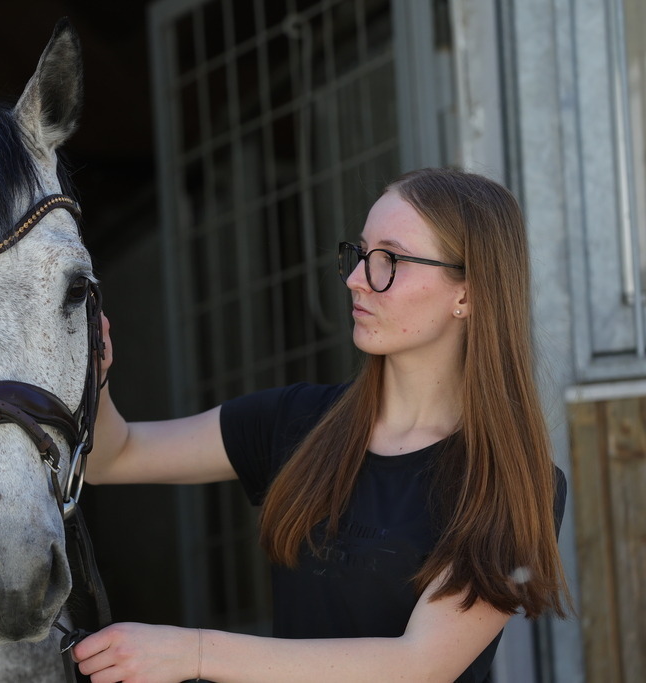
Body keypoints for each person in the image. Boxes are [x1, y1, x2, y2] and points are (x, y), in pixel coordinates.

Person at [73, 167, 571, 682]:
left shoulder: (511, 482)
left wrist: (195, 653)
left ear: (466, 294)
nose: (357, 278)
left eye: (390, 260)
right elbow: (112, 457)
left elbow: (417, 667)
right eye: (360, 253)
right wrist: (96, 373)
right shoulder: (297, 421)